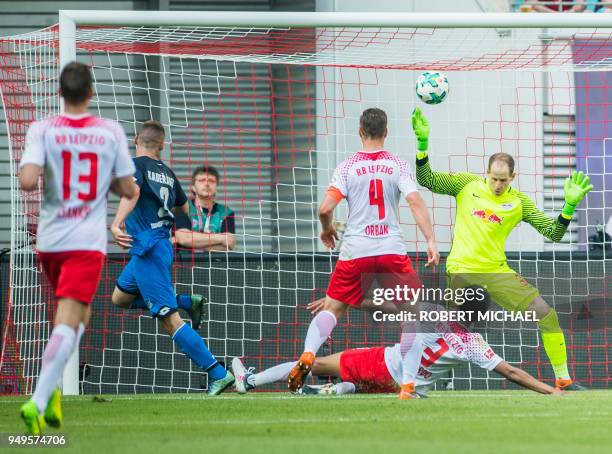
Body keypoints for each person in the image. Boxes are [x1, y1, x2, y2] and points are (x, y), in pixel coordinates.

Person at [411, 107, 593, 390]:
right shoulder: (466, 185)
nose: (497, 184)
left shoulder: (519, 202)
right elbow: (427, 180)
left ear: (513, 177)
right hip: (462, 270)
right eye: (493, 178)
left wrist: (568, 206)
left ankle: (564, 380)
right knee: (456, 331)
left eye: (503, 180)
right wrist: (422, 146)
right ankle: (434, 376)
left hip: (497, 272)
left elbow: (553, 233)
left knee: (546, 313)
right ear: (486, 173)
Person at [18, 62, 139, 434]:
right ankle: (37, 401)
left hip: (50, 240)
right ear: (91, 93)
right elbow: (129, 188)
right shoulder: (109, 132)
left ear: (59, 93)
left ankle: (52, 393)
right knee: (70, 319)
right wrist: (114, 184)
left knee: (77, 319)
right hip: (84, 242)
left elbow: (26, 181)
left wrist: (47, 169)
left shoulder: (42, 129)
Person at [287, 107, 440, 399]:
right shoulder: (397, 165)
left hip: (355, 250)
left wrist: (326, 229)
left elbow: (324, 209)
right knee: (415, 315)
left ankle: (308, 354)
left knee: (333, 308)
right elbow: (415, 201)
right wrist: (430, 239)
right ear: (385, 133)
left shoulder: (347, 167)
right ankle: (408, 385)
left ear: (360, 132)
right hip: (391, 250)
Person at [110, 121, 234, 396]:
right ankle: (187, 301)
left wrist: (117, 223)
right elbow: (182, 207)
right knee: (120, 298)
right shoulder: (167, 173)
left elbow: (134, 192)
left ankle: (218, 373)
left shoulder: (135, 165)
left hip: (147, 248)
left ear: (135, 139)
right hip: (160, 245)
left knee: (170, 321)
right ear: (162, 146)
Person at [233, 294, 565, 397]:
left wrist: (340, 300)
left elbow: (386, 306)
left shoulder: (433, 311)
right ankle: (329, 392)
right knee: (351, 386)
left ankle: (249, 381)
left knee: (315, 364)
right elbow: (510, 372)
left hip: (383, 364)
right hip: (406, 387)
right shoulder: (473, 342)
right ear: (477, 318)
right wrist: (550, 390)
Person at [174, 165, 236, 251]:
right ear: (193, 187)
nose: (207, 184)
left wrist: (191, 243)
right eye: (202, 180)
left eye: (211, 181)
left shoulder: (226, 212)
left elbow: (229, 244)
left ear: (216, 187)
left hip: (215, 263)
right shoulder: (182, 206)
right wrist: (221, 238)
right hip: (185, 263)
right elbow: (184, 238)